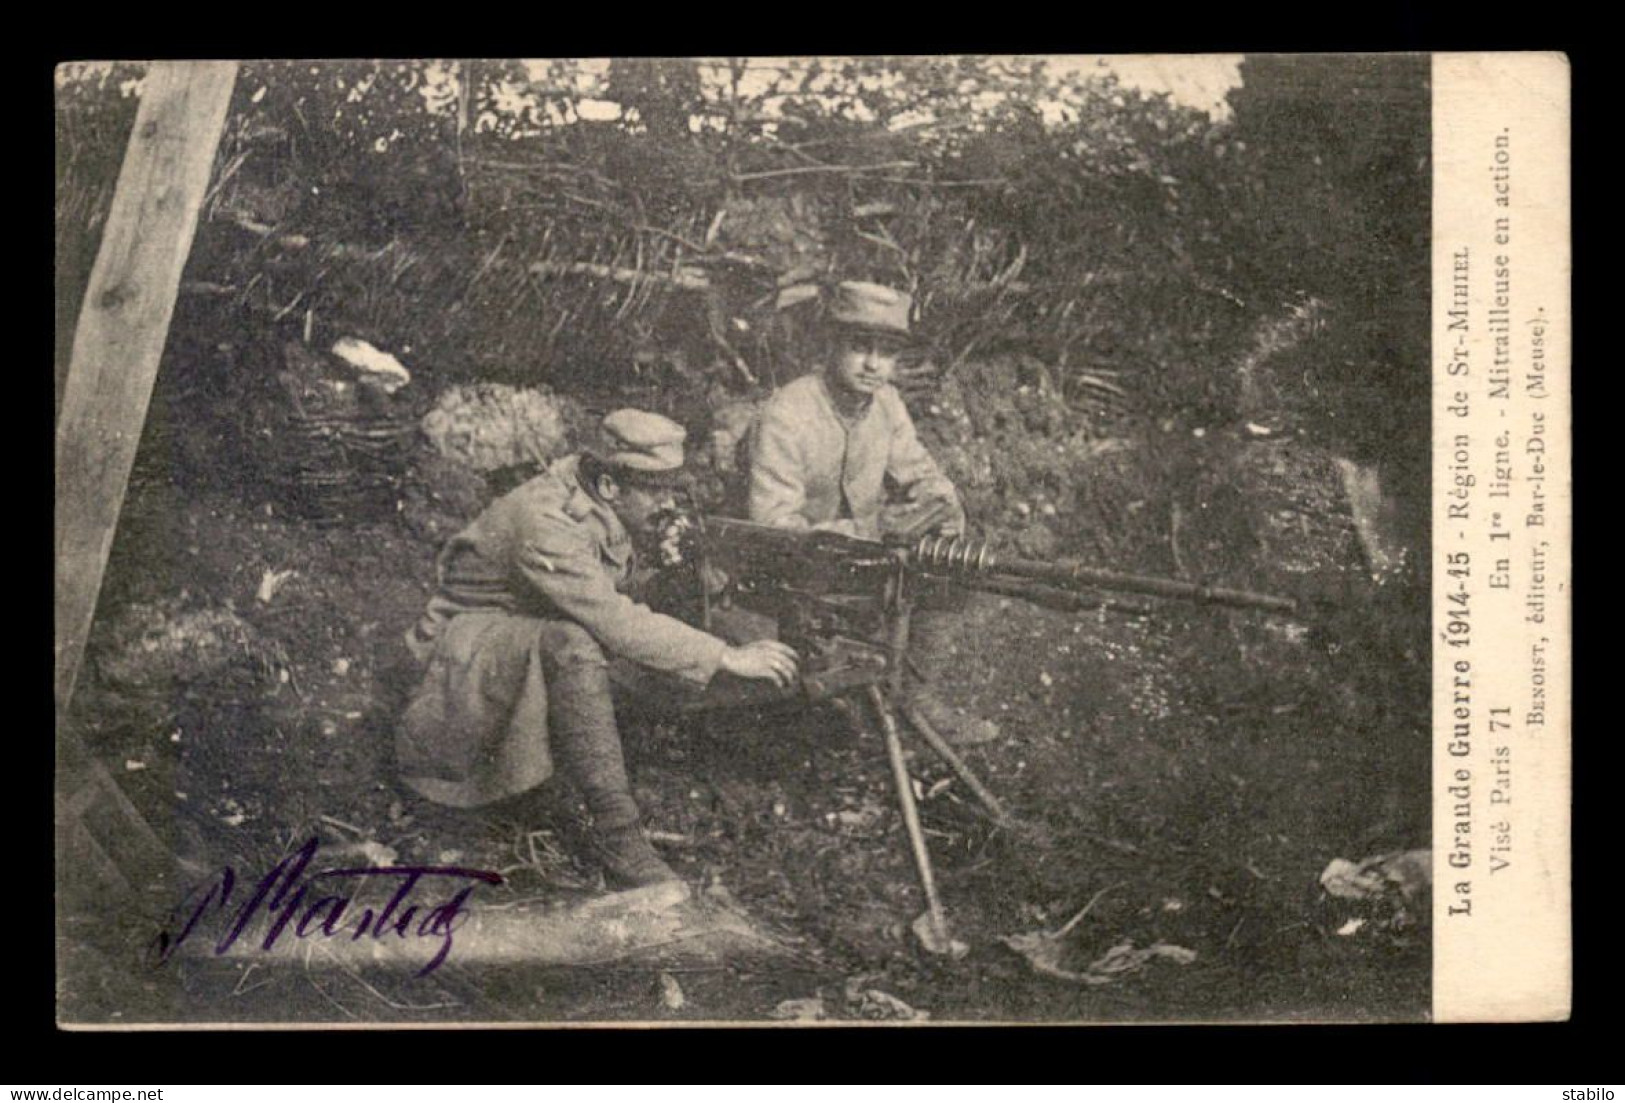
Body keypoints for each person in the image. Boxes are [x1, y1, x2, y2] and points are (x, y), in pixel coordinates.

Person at [398, 409, 800, 889]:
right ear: (610, 486)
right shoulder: (545, 520)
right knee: (575, 644)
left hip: (523, 633)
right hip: (460, 656)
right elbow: (614, 620)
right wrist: (725, 655)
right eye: (657, 492)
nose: (668, 504)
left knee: (597, 637)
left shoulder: (593, 488)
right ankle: (616, 830)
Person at [747, 281, 1000, 745]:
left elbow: (920, 470)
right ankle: (855, 702)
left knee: (952, 569)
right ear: (831, 346)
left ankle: (913, 697)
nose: (872, 364)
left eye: (886, 353)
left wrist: (943, 508)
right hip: (783, 572)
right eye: (860, 347)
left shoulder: (886, 404)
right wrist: (867, 530)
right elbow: (771, 527)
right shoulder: (787, 413)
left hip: (857, 556)